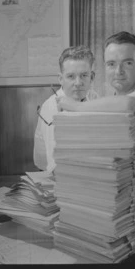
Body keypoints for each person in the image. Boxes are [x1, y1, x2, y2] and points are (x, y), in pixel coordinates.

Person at [56, 31, 135, 264]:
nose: (118, 71)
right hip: (114, 195)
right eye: (111, 63)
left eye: (127, 62)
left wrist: (73, 107)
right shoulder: (106, 103)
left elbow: (127, 104)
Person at [33, 45, 98, 173]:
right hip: (54, 173)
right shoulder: (51, 108)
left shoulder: (93, 96)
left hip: (84, 162)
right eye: (71, 76)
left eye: (84, 75)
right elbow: (55, 165)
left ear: (92, 77)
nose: (78, 83)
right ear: (61, 79)